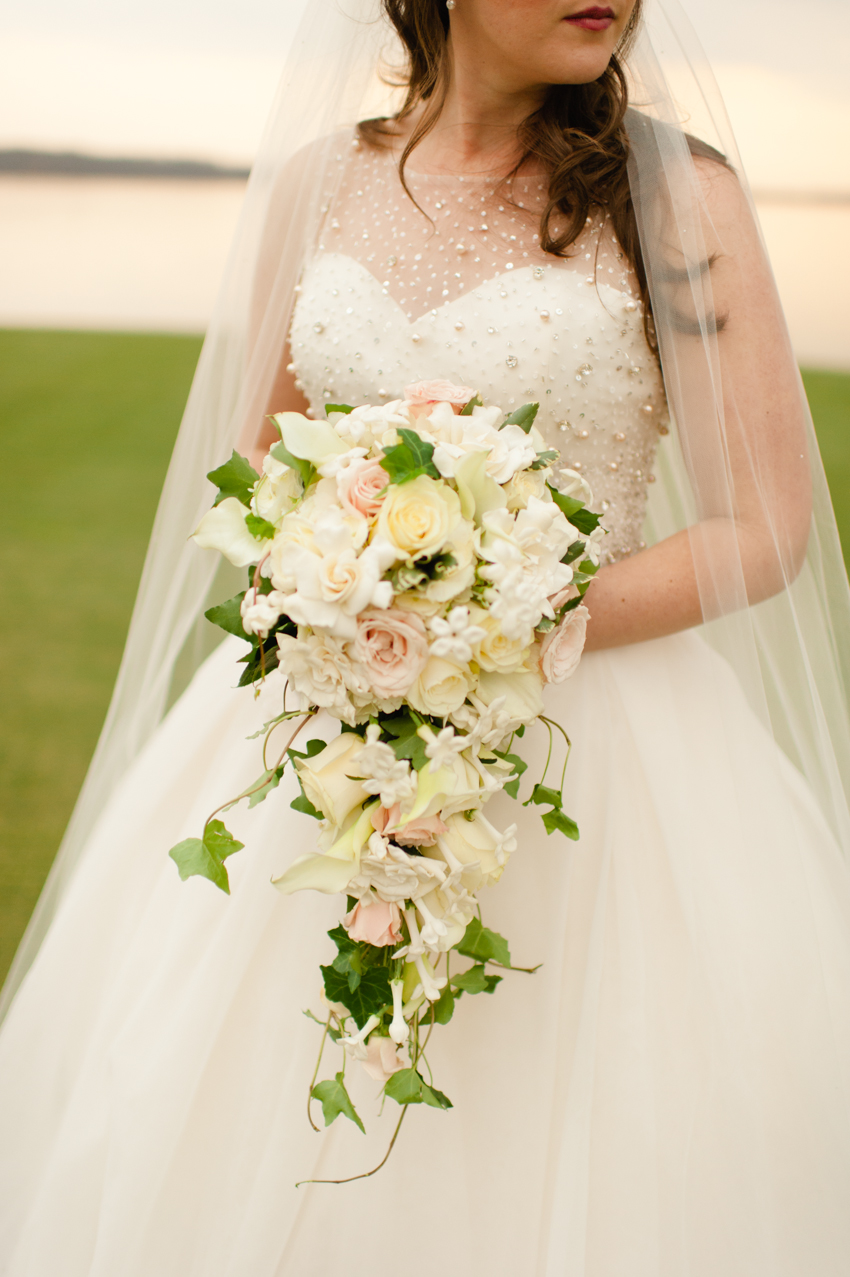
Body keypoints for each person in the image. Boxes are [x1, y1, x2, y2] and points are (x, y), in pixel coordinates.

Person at [2, 1, 850, 1272]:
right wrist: (329, 581)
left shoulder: (677, 199)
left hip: (596, 746)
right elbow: (257, 478)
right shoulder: (318, 183)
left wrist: (501, 622)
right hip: (321, 742)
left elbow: (763, 525)